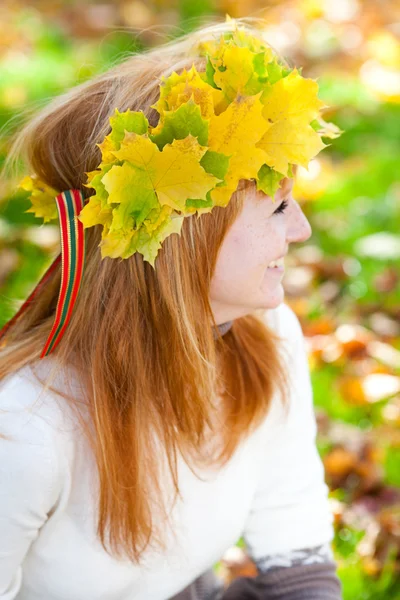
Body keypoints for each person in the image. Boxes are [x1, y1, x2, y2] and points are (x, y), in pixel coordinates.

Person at [0, 16, 343, 600]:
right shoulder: (30, 430)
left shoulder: (269, 341)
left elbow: (297, 560)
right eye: (280, 209)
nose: (304, 230)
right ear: (191, 235)